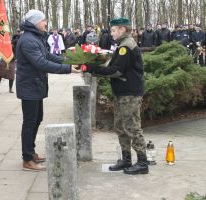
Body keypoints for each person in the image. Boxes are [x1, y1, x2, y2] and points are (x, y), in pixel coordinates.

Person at [16, 9, 81, 171]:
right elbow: (41, 63)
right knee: (30, 122)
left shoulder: (35, 37)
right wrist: (68, 69)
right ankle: (27, 159)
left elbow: (48, 56)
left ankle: (31, 152)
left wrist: (68, 60)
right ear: (35, 22)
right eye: (43, 20)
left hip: (35, 85)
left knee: (37, 119)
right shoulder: (28, 40)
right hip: (29, 87)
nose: (46, 23)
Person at [83, 17, 149, 175]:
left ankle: (142, 162)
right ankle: (126, 159)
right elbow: (114, 66)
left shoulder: (126, 46)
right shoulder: (122, 45)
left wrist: (93, 69)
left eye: (113, 30)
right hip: (123, 92)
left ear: (122, 29)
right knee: (121, 126)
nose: (111, 33)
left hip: (130, 93)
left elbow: (116, 70)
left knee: (132, 127)